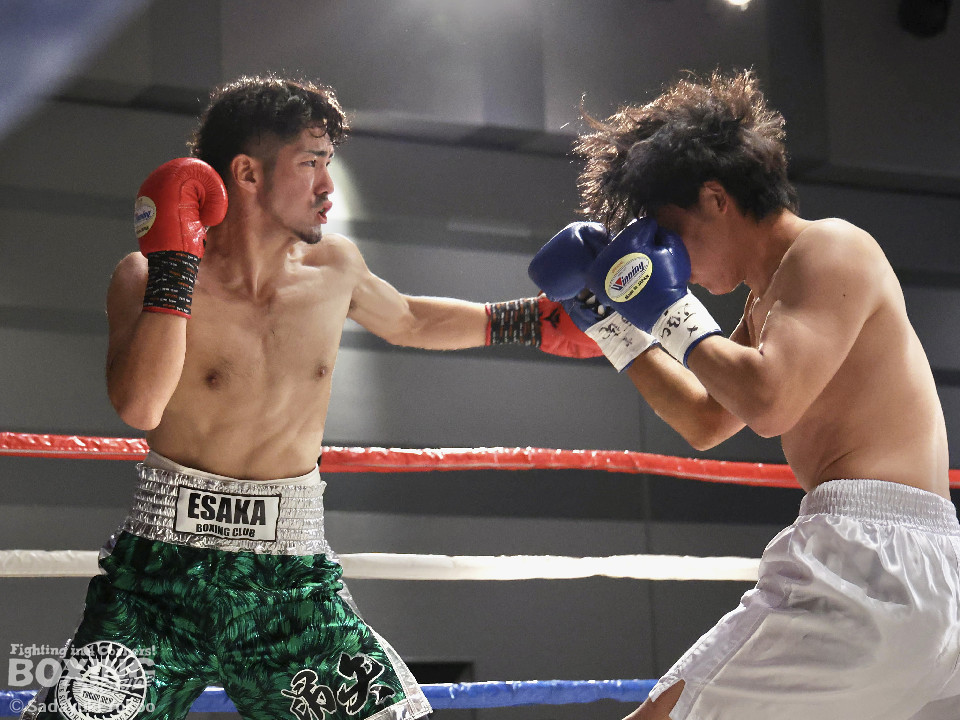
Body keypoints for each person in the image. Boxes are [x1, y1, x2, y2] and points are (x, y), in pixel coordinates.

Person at [21, 74, 603, 720]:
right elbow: (140, 408)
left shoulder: (336, 269)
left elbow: (410, 318)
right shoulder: (145, 275)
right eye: (310, 164)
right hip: (159, 580)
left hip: (289, 582)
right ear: (247, 173)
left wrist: (534, 321)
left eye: (329, 163)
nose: (328, 186)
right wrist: (176, 272)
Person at [529, 70, 960, 720]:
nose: (673, 260)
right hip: (914, 574)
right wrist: (615, 327)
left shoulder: (830, 248)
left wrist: (667, 308)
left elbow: (769, 402)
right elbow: (707, 419)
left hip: (868, 560)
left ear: (715, 198)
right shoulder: (771, 297)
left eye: (670, 233)